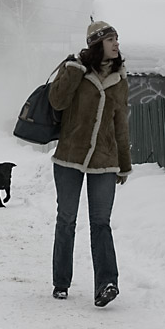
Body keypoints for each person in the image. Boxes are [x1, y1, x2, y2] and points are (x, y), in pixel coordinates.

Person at [47, 20, 131, 307]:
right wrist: (73, 71)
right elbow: (57, 101)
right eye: (111, 40)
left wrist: (124, 163)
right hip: (70, 155)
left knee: (101, 223)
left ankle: (107, 284)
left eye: (117, 39)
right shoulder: (75, 71)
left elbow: (121, 124)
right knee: (67, 220)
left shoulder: (120, 79)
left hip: (105, 159)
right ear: (98, 44)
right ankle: (61, 282)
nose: (117, 44)